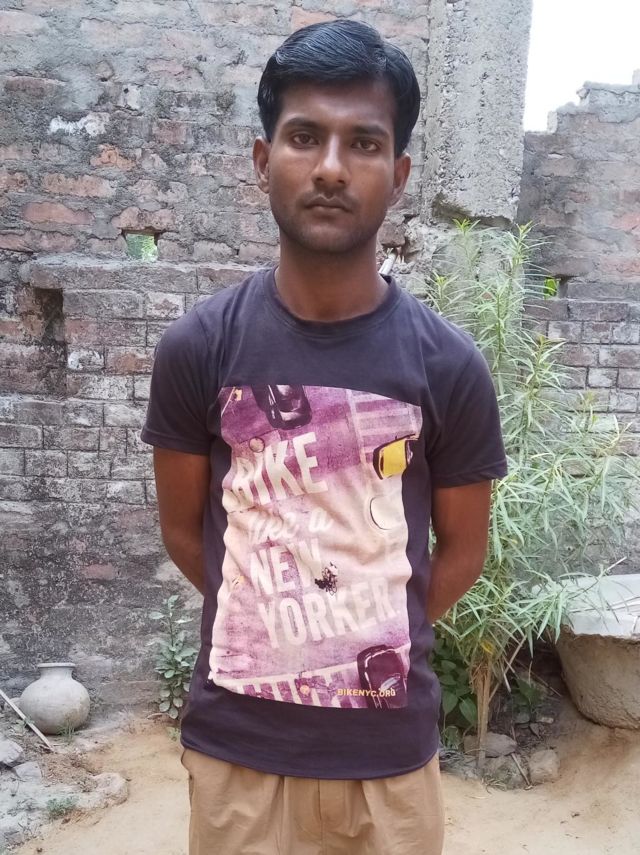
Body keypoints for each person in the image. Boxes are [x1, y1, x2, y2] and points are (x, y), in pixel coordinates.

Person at [142, 18, 507, 855]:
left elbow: (461, 551)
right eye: (305, 136)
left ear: (399, 173)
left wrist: (352, 630)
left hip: (389, 765)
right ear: (263, 158)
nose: (332, 167)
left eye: (364, 142)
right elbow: (186, 531)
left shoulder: (448, 366)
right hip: (238, 754)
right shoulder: (199, 348)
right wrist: (281, 623)